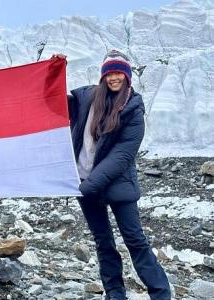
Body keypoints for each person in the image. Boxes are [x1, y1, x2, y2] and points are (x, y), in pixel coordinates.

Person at [56, 50, 171, 300]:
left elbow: (121, 157)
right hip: (85, 183)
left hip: (117, 186)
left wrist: (86, 187)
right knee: (104, 243)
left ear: (127, 76)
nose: (114, 78)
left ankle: (161, 294)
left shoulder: (133, 110)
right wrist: (53, 71)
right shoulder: (87, 97)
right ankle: (115, 295)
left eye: (119, 72)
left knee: (135, 240)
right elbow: (55, 102)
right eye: (109, 73)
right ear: (103, 76)